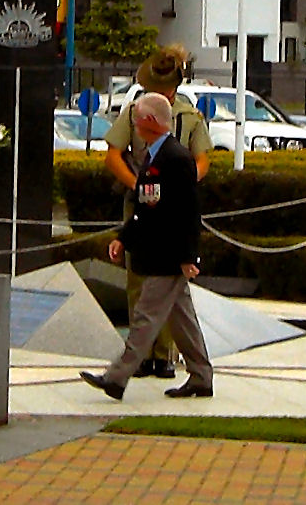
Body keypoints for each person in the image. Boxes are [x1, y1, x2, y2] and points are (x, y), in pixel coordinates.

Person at [81, 93, 213, 401]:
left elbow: (188, 212)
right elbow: (146, 208)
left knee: (145, 316)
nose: (134, 124)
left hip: (168, 255)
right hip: (160, 252)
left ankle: (116, 378)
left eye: (137, 118)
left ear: (150, 122)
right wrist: (123, 239)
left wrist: (188, 256)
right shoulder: (155, 156)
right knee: (182, 318)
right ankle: (201, 376)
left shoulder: (176, 158)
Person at [102, 45, 211, 378]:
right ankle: (145, 360)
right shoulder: (136, 110)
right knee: (141, 283)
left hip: (170, 209)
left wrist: (178, 185)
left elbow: (202, 160)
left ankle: (160, 357)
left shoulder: (189, 117)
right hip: (141, 205)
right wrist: (139, 186)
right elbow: (113, 155)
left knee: (166, 290)